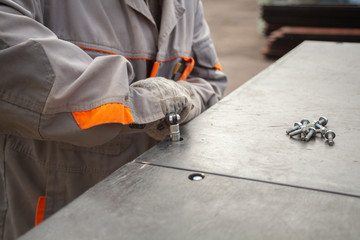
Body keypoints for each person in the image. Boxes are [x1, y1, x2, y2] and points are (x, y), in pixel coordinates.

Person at [0, 0, 227, 238]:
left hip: (158, 209)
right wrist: (149, 103)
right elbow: (16, 63)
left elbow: (211, 78)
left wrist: (188, 98)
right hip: (59, 215)